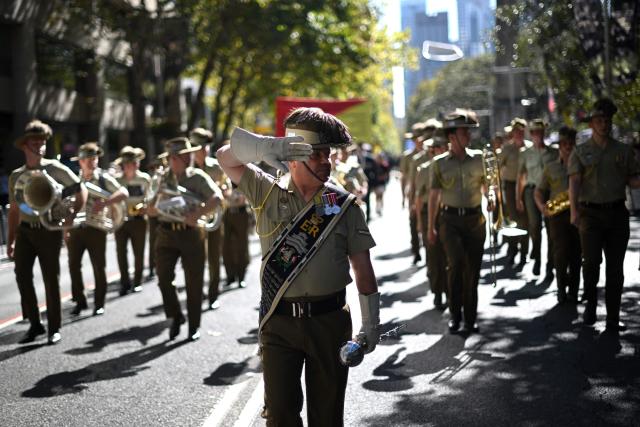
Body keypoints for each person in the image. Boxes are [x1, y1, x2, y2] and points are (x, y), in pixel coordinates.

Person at [217, 107, 380, 426]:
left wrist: (371, 324)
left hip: (330, 322)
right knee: (279, 415)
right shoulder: (265, 190)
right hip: (280, 321)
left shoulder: (342, 205)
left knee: (327, 416)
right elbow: (226, 157)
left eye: (328, 154)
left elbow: (363, 269)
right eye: (317, 154)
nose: (326, 161)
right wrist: (268, 147)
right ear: (293, 156)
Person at [8, 120, 87, 344]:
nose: (40, 146)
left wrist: (71, 215)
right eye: (34, 142)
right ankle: (34, 323)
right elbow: (14, 210)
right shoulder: (16, 175)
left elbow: (80, 189)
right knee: (22, 276)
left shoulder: (54, 168)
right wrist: (11, 240)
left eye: (42, 142)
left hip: (48, 230)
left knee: (51, 279)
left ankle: (54, 327)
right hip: (25, 230)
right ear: (25, 146)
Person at [568, 98, 640, 331]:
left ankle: (612, 316)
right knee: (591, 263)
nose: (604, 124)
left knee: (615, 268)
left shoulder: (623, 150)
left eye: (607, 120)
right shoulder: (581, 151)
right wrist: (574, 211)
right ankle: (590, 303)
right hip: (590, 214)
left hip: (617, 213)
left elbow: (632, 180)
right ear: (592, 123)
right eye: (599, 120)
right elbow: (575, 182)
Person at [427, 109, 494, 333]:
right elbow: (434, 196)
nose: (469, 136)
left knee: (473, 271)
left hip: (475, 220)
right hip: (449, 221)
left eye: (468, 132)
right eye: (464, 132)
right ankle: (455, 315)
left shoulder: (479, 159)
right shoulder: (438, 163)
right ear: (452, 136)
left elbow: (487, 187)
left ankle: (471, 318)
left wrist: (492, 199)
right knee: (455, 264)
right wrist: (430, 228)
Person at [149, 137, 223, 341]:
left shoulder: (197, 177)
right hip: (165, 232)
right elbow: (150, 206)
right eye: (185, 155)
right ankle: (175, 315)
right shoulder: (161, 178)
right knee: (163, 277)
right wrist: (152, 204)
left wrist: (198, 213)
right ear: (173, 159)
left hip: (191, 234)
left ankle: (193, 326)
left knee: (194, 281)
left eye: (190, 154)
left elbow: (217, 197)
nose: (190, 157)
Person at [68, 142, 129, 316]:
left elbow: (123, 192)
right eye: (87, 159)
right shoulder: (74, 179)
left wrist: (105, 202)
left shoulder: (103, 178)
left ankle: (99, 303)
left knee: (98, 266)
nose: (90, 162)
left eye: (94, 158)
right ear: (80, 161)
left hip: (97, 228)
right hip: (77, 228)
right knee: (73, 265)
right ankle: (80, 302)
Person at [534, 126, 581, 303]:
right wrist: (542, 207)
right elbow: (538, 191)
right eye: (564, 144)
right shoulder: (551, 167)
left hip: (579, 213)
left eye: (571, 143)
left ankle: (574, 291)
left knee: (577, 254)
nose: (568, 147)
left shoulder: (583, 165)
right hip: (557, 216)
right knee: (560, 253)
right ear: (559, 145)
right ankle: (561, 289)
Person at [191, 128, 232, 309]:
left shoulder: (216, 166)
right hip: (195, 220)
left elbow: (228, 189)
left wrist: (222, 191)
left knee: (214, 258)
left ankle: (213, 294)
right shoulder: (188, 170)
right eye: (200, 147)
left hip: (215, 219)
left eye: (206, 146)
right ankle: (197, 293)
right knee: (195, 259)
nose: (204, 150)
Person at [517, 118, 558, 277]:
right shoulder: (525, 154)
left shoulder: (553, 152)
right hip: (531, 191)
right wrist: (518, 198)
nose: (537, 135)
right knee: (534, 226)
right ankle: (537, 259)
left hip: (550, 192)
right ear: (531, 134)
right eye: (534, 133)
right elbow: (520, 177)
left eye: (540, 132)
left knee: (551, 228)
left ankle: (550, 264)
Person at [415, 129, 448, 309]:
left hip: (448, 213)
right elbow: (419, 198)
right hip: (429, 214)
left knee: (449, 256)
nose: (439, 150)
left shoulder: (450, 165)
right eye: (436, 148)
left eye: (442, 147)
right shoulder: (425, 169)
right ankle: (437, 292)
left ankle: (451, 291)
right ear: (431, 151)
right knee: (434, 257)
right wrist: (421, 223)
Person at [114, 146, 151, 295]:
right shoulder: (117, 180)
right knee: (121, 252)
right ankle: (124, 282)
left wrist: (144, 207)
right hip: (121, 220)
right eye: (130, 163)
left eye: (135, 162)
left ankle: (137, 281)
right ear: (124, 164)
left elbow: (150, 198)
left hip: (138, 220)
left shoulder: (144, 179)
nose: (133, 165)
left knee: (139, 252)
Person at [500, 119, 529, 267]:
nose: (519, 134)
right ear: (513, 133)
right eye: (516, 131)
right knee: (513, 218)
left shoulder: (529, 148)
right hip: (510, 186)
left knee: (526, 220)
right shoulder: (507, 149)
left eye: (521, 131)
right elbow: (498, 167)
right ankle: (513, 250)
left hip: (527, 186)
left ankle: (524, 253)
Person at [400, 122, 426, 264]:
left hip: (427, 193)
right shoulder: (407, 157)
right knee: (414, 222)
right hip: (413, 193)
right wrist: (404, 196)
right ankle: (416, 250)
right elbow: (404, 177)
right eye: (414, 138)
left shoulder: (430, 153)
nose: (416, 141)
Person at [372, 151, 391, 217]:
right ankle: (378, 206)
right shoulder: (374, 165)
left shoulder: (384, 166)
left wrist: (382, 177)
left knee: (381, 195)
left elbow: (387, 174)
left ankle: (379, 207)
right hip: (376, 183)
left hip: (382, 183)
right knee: (377, 196)